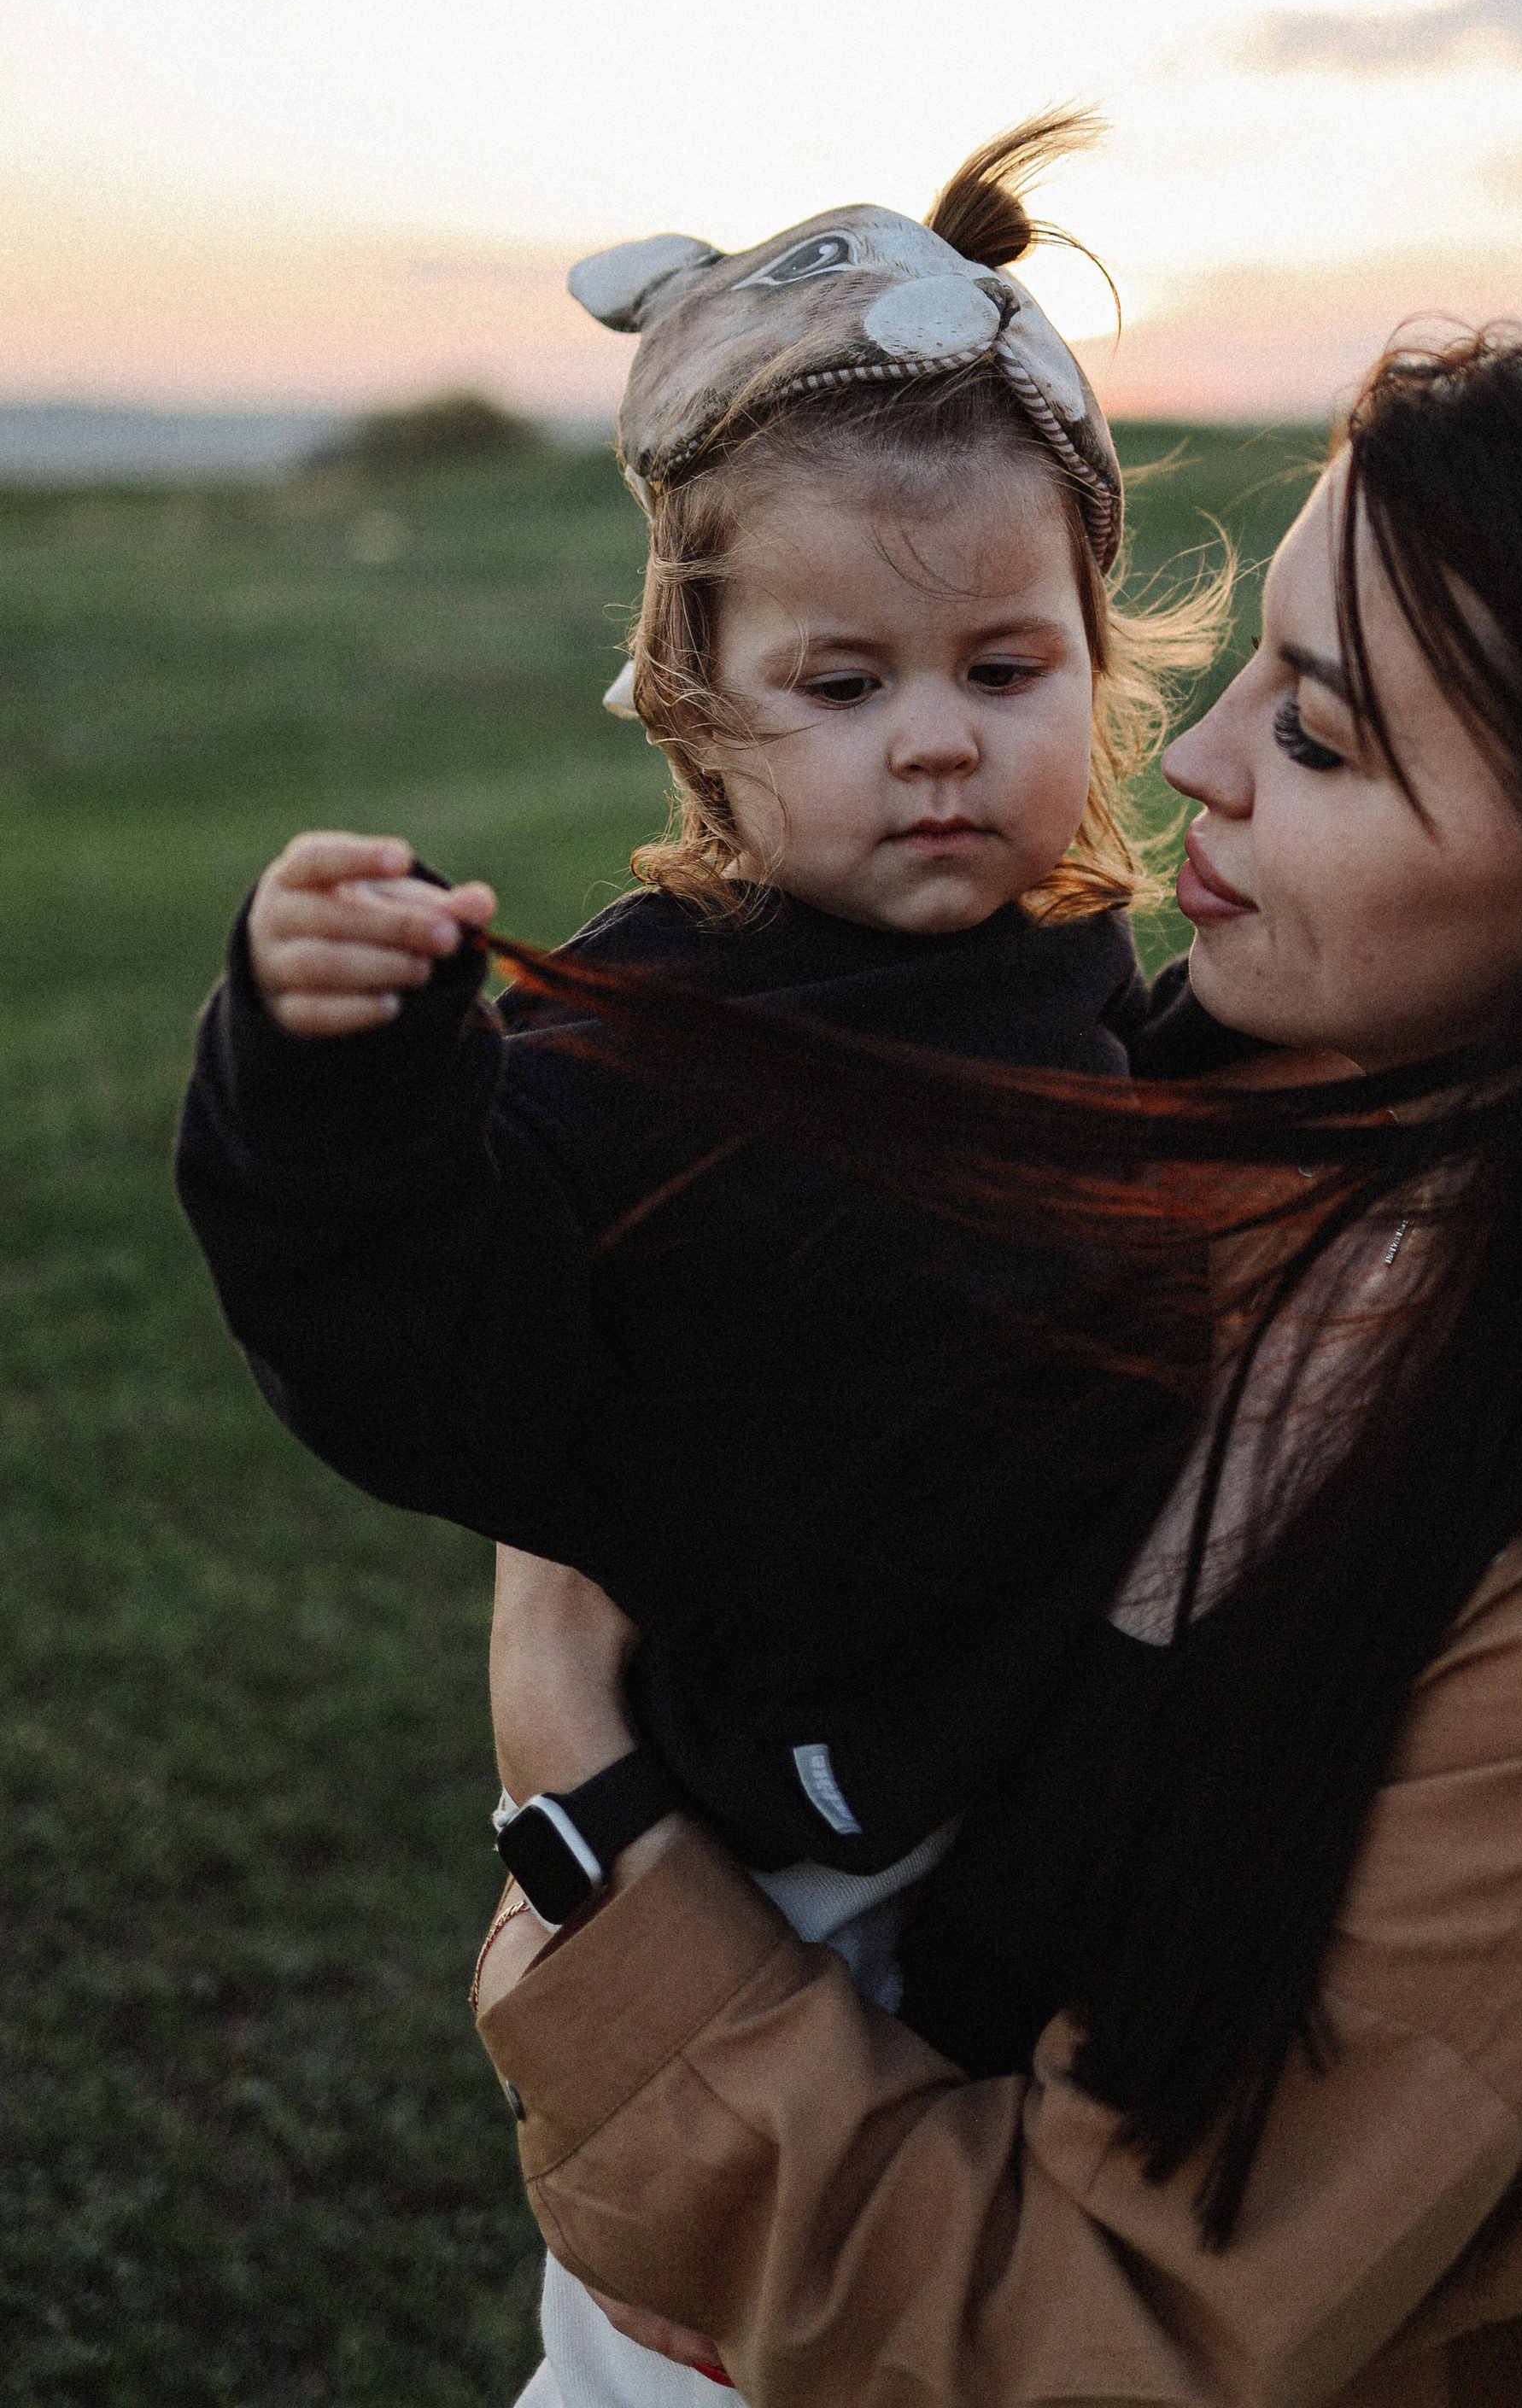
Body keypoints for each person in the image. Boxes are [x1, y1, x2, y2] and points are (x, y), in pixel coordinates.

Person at [470, 329, 1522, 2408]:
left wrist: (577, 1795)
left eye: (1317, 733)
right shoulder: (1206, 1111)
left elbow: (1094, 2336)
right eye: (1235, 670)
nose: (1189, 761)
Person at [174, 116, 1249, 2405]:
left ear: (1093, 658)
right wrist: (335, 1076)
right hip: (794, 1865)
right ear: (700, 699)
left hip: (1051, 1798)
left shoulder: (1079, 976)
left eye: (1005, 662)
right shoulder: (653, 1040)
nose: (943, 743)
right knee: (719, 2341)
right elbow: (425, 1348)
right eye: (846, 687)